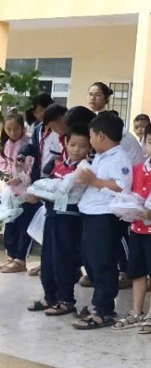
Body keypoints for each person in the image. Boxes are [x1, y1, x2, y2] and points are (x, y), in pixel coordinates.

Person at [112, 120, 151, 335]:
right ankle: (136, 311)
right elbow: (129, 194)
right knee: (137, 272)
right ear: (144, 143)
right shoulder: (137, 168)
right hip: (138, 228)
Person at [72, 112, 133, 330]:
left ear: (100, 135)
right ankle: (97, 304)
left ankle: (104, 310)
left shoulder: (119, 157)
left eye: (90, 136)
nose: (89, 141)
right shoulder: (100, 156)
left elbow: (122, 187)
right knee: (90, 260)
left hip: (104, 216)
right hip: (90, 213)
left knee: (103, 262)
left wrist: (94, 180)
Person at [26, 122, 91, 316]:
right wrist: (37, 193)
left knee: (63, 259)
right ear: (66, 144)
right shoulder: (61, 166)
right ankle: (50, 297)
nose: (77, 149)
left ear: (89, 148)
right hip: (52, 215)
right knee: (47, 258)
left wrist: (40, 190)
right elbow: (48, 188)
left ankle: (66, 300)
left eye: (82, 146)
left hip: (68, 219)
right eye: (73, 145)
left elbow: (62, 190)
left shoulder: (84, 168)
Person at [1, 112, 32, 273]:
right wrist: (6, 174)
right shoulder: (6, 143)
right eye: (9, 129)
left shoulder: (28, 143)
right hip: (11, 191)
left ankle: (21, 259)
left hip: (26, 192)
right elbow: (3, 162)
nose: (13, 133)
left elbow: (31, 167)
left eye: (16, 129)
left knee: (23, 226)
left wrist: (20, 178)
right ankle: (11, 256)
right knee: (10, 224)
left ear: (22, 127)